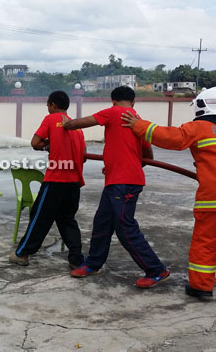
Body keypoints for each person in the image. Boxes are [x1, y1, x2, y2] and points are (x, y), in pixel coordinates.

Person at [121, 86, 216, 302]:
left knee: (205, 243)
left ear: (201, 107)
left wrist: (139, 126)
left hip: (215, 200)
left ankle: (202, 287)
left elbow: (172, 138)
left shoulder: (199, 128)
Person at [63, 85, 170, 288]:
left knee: (125, 227)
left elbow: (82, 123)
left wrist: (66, 124)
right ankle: (93, 263)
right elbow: (149, 156)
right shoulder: (138, 121)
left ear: (112, 101)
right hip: (119, 180)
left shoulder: (113, 113)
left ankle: (157, 269)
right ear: (134, 101)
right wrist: (121, 163)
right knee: (102, 221)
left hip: (124, 183)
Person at [9, 90, 87, 269]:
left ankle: (22, 254)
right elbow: (82, 155)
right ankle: (76, 259)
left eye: (48, 105)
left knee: (40, 217)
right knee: (68, 219)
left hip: (55, 181)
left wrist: (48, 146)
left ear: (53, 105)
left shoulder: (51, 119)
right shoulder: (77, 127)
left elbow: (35, 142)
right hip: (74, 182)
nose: (47, 108)